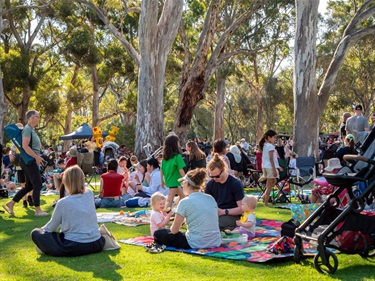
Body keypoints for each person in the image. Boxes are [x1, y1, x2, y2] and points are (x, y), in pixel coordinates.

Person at [31, 165, 104, 256]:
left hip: (76, 245)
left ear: (66, 183)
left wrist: (41, 230)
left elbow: (51, 228)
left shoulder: (63, 203)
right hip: (97, 242)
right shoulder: (89, 193)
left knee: (36, 233)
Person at [154, 168, 221, 249]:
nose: (182, 186)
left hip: (196, 242)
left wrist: (171, 227)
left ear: (187, 184)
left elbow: (174, 230)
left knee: (158, 233)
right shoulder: (210, 198)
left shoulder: (185, 202)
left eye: (183, 183)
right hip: (215, 241)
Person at [2, 110, 48, 217]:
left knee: (29, 186)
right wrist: (36, 157)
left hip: (27, 160)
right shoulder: (27, 129)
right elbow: (25, 146)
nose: (39, 118)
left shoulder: (30, 129)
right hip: (29, 161)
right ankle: (37, 210)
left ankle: (11, 203)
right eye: (38, 116)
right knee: (37, 183)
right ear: (32, 118)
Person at [205, 153, 244, 231]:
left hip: (231, 214)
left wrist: (224, 212)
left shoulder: (235, 183)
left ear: (223, 170)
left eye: (217, 176)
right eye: (212, 176)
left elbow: (242, 208)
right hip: (214, 214)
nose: (215, 179)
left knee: (215, 225)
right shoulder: (210, 184)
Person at [160, 134, 186, 210]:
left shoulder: (165, 158)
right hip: (174, 181)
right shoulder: (177, 157)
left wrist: (162, 180)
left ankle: (178, 210)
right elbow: (181, 170)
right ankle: (166, 213)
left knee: (183, 196)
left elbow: (161, 170)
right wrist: (185, 179)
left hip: (169, 180)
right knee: (169, 200)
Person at [259, 129, 280, 207]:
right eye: (274, 137)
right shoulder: (270, 146)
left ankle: (264, 196)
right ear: (269, 137)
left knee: (272, 182)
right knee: (269, 186)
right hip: (269, 167)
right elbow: (271, 159)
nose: (275, 139)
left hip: (265, 166)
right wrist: (274, 169)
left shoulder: (265, 145)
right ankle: (265, 203)